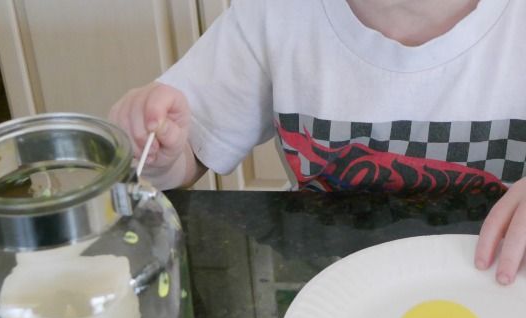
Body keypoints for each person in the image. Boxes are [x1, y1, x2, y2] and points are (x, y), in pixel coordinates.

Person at [109, 0, 526, 286]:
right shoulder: (274, 14)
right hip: (327, 298)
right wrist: (159, 155)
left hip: (499, 289)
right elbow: (192, 145)